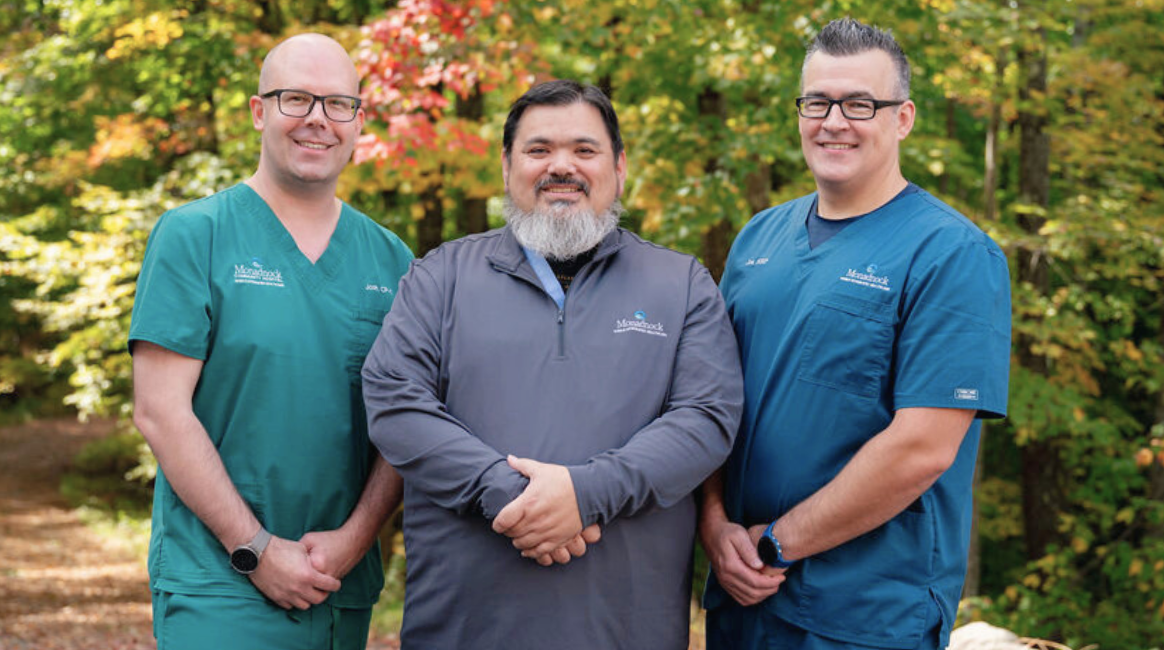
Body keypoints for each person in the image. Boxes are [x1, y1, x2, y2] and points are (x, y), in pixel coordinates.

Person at [361, 79, 743, 649]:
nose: (561, 166)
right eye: (538, 150)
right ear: (507, 165)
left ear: (619, 166)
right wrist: (506, 492)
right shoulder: (440, 276)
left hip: (627, 630)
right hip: (463, 629)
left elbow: (707, 418)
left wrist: (588, 492)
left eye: (584, 150)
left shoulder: (682, 285)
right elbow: (394, 402)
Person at [700, 18, 1012, 650]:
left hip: (865, 615)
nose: (833, 121)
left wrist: (776, 543)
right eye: (817, 101)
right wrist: (711, 525)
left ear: (903, 118)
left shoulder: (952, 254)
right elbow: (708, 398)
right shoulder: (757, 239)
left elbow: (921, 448)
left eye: (860, 104)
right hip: (740, 600)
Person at [127, 34, 411, 649]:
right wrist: (255, 549)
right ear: (259, 112)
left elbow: (409, 421)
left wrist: (356, 540)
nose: (317, 119)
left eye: (337, 103)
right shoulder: (193, 236)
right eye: (295, 99)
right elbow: (159, 410)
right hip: (220, 584)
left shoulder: (393, 260)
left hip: (339, 587)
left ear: (359, 121)